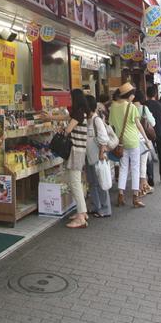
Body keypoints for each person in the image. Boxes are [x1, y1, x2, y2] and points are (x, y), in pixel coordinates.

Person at [108, 83, 144, 208]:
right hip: (133, 141)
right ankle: (135, 197)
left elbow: (111, 125)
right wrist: (146, 138)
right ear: (129, 95)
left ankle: (121, 195)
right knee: (135, 168)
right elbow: (138, 125)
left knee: (123, 168)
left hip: (120, 142)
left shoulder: (113, 107)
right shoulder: (131, 107)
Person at [62, 89, 90, 229]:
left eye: (70, 97)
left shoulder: (78, 113)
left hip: (76, 152)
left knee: (75, 183)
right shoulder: (81, 113)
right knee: (76, 182)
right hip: (79, 151)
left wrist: (62, 131)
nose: (69, 100)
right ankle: (82, 212)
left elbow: (68, 130)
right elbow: (66, 119)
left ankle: (80, 217)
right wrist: (49, 118)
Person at [84, 94, 112, 218]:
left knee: (101, 182)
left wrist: (102, 152)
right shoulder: (86, 120)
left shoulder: (96, 120)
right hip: (89, 156)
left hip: (97, 156)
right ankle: (96, 206)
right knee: (92, 183)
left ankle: (105, 209)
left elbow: (104, 138)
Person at [145, 85, 161, 185]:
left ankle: (150, 178)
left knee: (148, 156)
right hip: (160, 133)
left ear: (147, 94)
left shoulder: (144, 105)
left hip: (148, 134)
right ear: (155, 94)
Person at [133, 90, 155, 194]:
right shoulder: (144, 108)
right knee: (143, 164)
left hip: (132, 139)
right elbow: (153, 123)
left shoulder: (129, 108)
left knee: (134, 165)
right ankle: (142, 187)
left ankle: (142, 186)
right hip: (142, 138)